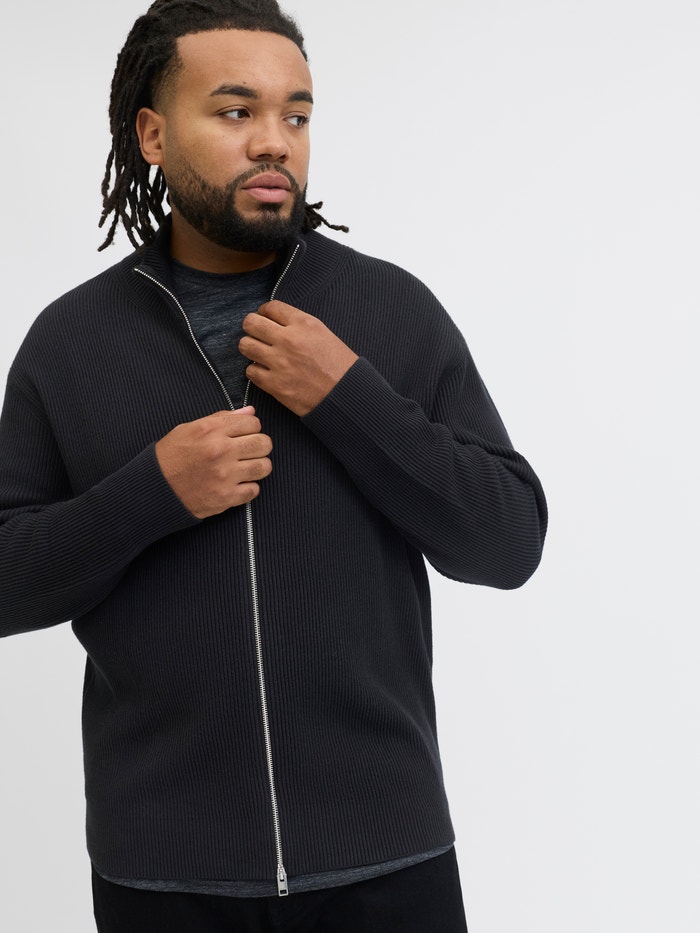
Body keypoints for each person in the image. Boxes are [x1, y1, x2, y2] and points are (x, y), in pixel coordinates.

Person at [0, 0, 547, 930]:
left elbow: (507, 541)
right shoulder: (72, 342)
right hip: (163, 878)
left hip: (388, 860)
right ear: (153, 135)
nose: (274, 141)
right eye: (235, 110)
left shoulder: (390, 310)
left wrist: (348, 396)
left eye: (296, 114)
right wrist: (149, 495)